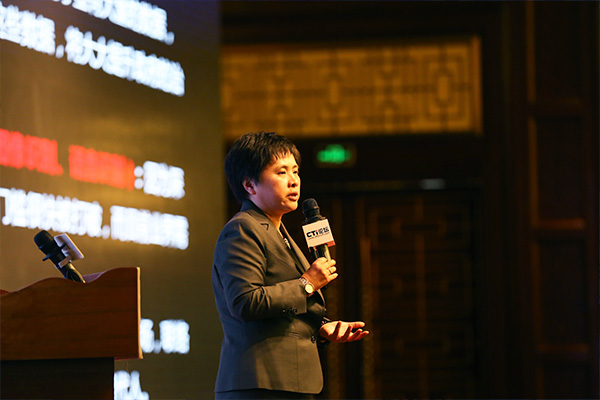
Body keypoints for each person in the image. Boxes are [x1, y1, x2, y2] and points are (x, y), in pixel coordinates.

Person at [212, 131, 369, 399]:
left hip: (287, 381)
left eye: (295, 171)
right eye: (281, 172)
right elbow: (244, 302)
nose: (293, 180)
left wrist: (320, 327)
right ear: (249, 185)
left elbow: (279, 310)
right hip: (259, 384)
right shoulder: (242, 229)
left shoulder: (278, 231)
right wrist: (307, 284)